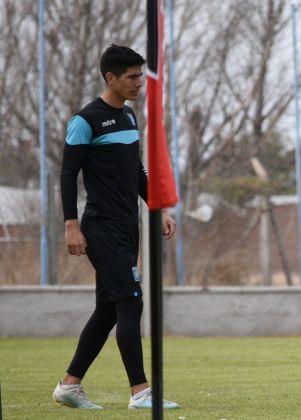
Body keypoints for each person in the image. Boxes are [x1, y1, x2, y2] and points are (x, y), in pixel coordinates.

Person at [52, 44, 179, 410]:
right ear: (111, 78)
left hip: (129, 226)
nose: (140, 83)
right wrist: (71, 225)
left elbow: (136, 172)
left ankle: (69, 385)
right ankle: (141, 392)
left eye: (141, 75)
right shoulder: (85, 120)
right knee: (131, 303)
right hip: (101, 227)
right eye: (133, 76)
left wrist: (157, 209)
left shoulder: (129, 118)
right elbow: (67, 174)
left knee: (108, 309)